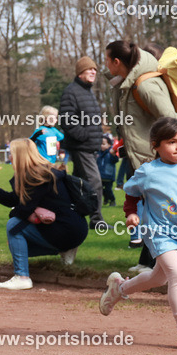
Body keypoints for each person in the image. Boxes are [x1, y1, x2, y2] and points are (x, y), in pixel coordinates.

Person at [101, 117, 177, 347]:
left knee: (159, 277)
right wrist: (131, 214)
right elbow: (132, 194)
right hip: (158, 231)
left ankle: (120, 288)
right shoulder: (148, 171)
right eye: (172, 142)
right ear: (155, 145)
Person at [105, 40, 177, 272]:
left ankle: (158, 263)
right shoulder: (128, 84)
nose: (105, 65)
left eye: (107, 60)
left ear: (117, 62)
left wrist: (161, 152)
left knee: (157, 213)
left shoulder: (145, 85)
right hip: (140, 157)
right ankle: (148, 261)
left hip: (152, 158)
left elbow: (170, 119)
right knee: (149, 211)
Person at [0, 138, 90, 289]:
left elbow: (23, 209)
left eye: (11, 154)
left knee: (14, 226)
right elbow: (16, 200)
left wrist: (21, 212)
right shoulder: (41, 172)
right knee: (17, 244)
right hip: (73, 228)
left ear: (20, 156)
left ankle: (22, 276)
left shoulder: (37, 178)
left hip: (66, 229)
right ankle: (65, 250)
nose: (9, 157)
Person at [59, 56, 108, 229]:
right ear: (80, 73)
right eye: (89, 69)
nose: (94, 72)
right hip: (81, 146)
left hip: (89, 146)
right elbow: (67, 119)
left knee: (77, 185)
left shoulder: (88, 92)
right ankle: (96, 220)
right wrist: (84, 135)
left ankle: (70, 215)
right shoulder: (71, 92)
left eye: (95, 69)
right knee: (95, 183)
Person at [96, 135, 119, 206]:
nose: (101, 146)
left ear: (109, 145)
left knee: (108, 190)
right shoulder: (98, 153)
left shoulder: (110, 153)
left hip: (108, 176)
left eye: (103, 144)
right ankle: (106, 199)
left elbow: (116, 160)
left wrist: (114, 155)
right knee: (100, 190)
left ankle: (112, 200)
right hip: (100, 176)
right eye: (100, 144)